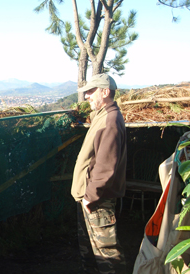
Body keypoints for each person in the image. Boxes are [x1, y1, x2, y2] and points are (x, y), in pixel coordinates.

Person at [71, 73, 127, 273]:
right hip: (89, 196)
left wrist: (90, 197)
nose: (87, 96)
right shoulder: (103, 116)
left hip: (97, 199)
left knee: (106, 253)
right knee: (91, 250)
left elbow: (105, 165)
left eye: (91, 91)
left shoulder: (110, 120)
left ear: (105, 92)